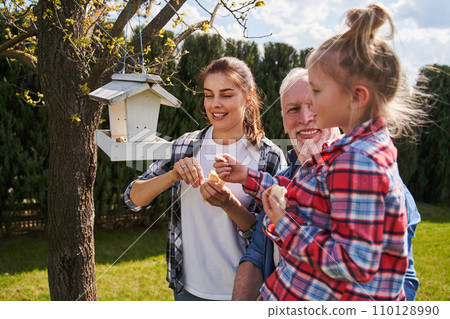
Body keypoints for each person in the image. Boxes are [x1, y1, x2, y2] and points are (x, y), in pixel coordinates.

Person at [216, 4, 426, 300]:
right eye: (294, 107)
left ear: (356, 97)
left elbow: (353, 264)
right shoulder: (350, 153)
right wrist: (248, 176)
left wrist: (284, 224)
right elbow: (305, 194)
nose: (309, 109)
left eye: (316, 91)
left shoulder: (360, 162)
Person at [123, 57, 286, 301]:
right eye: (209, 94)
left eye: (226, 94)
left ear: (248, 96)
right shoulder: (185, 146)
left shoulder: (269, 157)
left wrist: (228, 204)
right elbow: (132, 198)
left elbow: (272, 237)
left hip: (244, 293)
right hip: (188, 290)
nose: (215, 104)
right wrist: (173, 175)